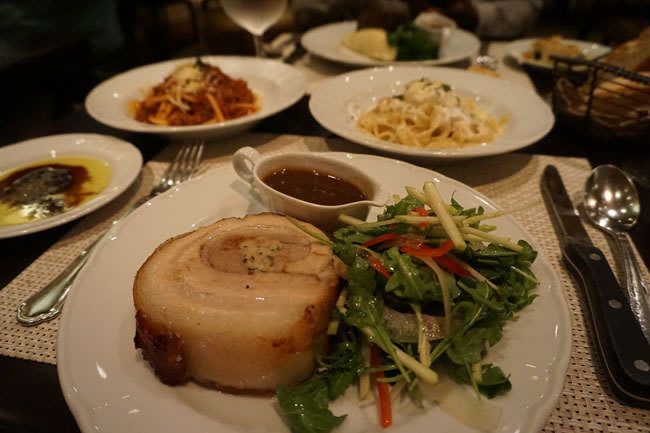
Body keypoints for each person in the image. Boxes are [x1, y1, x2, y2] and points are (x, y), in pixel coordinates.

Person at [291, 0, 544, 39]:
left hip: (484, 54)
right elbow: (304, 7)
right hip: (357, 64)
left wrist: (476, 14)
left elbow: (527, 9)